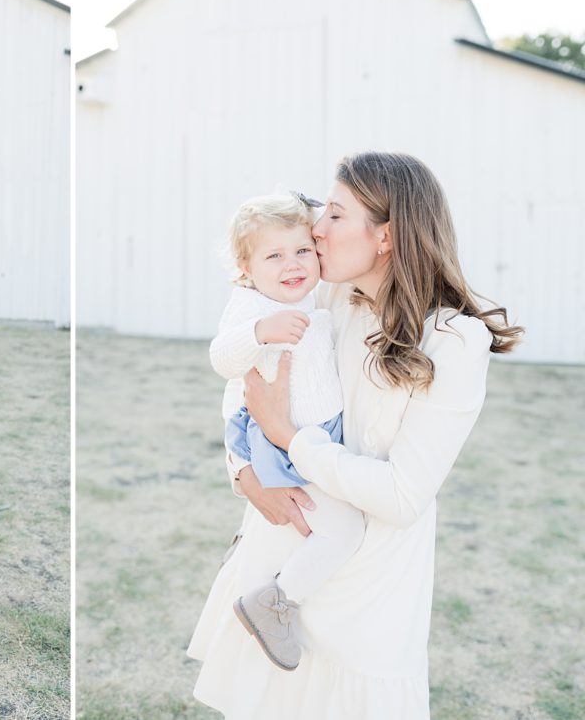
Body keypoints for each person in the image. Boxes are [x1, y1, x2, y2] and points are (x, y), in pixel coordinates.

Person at [188, 152, 522, 719]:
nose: (316, 229)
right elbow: (251, 376)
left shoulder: (453, 340)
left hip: (368, 584)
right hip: (285, 543)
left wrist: (291, 440)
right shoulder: (327, 293)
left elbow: (402, 496)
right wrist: (243, 472)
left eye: (336, 215)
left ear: (386, 235)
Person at [210, 192, 364, 672]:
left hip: (311, 438)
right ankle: (274, 601)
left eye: (301, 251)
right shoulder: (252, 305)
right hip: (280, 442)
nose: (292, 264)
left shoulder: (316, 295)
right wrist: (260, 331)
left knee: (330, 529)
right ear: (245, 267)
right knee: (342, 530)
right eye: (273, 256)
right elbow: (222, 360)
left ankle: (273, 592)